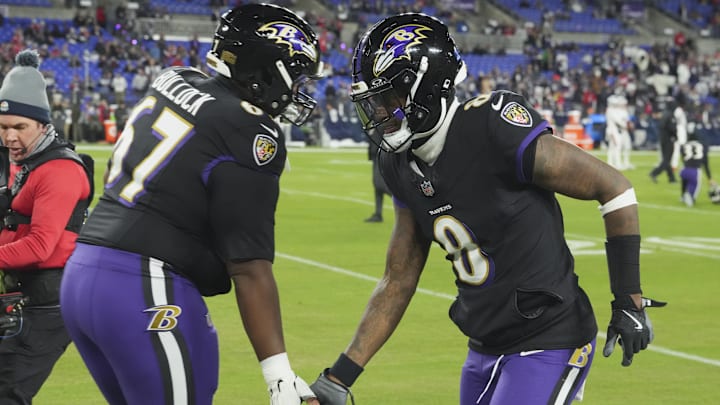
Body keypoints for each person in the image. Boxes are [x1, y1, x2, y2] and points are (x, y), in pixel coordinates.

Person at [310, 13, 665, 405]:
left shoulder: (491, 126)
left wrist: (628, 299)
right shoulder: (397, 163)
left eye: (387, 98)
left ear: (425, 88)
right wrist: (340, 377)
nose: (378, 112)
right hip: (483, 345)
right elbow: (398, 277)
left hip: (549, 338)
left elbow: (614, 188)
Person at [59, 4, 323, 405]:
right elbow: (248, 265)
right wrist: (279, 376)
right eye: (297, 76)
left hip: (81, 274)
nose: (298, 89)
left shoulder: (174, 79)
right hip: (143, 287)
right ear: (267, 68)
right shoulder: (251, 129)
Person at [0, 49, 92, 404]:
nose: (9, 137)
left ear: (43, 124)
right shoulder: (24, 160)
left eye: (19, 127)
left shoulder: (60, 171)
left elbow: (40, 245)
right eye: (4, 127)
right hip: (21, 294)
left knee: (9, 394)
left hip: (47, 304)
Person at [679, 133, 714, 207]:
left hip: (684, 169)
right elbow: (705, 164)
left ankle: (682, 196)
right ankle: (691, 197)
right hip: (695, 171)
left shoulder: (684, 146)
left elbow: (683, 156)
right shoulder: (703, 146)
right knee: (695, 186)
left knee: (685, 181)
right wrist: (709, 178)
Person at [364, 130, 391, 223]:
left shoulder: (384, 121)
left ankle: (402, 201)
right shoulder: (376, 123)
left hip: (382, 155)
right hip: (376, 155)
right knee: (377, 188)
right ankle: (378, 214)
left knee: (379, 184)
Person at [649, 103, 678, 183]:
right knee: (667, 160)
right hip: (669, 139)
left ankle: (671, 178)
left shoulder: (664, 115)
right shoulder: (671, 116)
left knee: (666, 159)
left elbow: (661, 126)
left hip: (662, 139)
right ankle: (654, 173)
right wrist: (675, 136)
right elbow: (672, 128)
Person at [604, 92, 634, 170]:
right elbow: (618, 121)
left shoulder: (621, 110)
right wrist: (626, 125)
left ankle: (622, 163)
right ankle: (615, 163)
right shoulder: (610, 110)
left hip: (620, 130)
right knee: (616, 146)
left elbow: (626, 120)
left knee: (625, 146)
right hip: (613, 130)